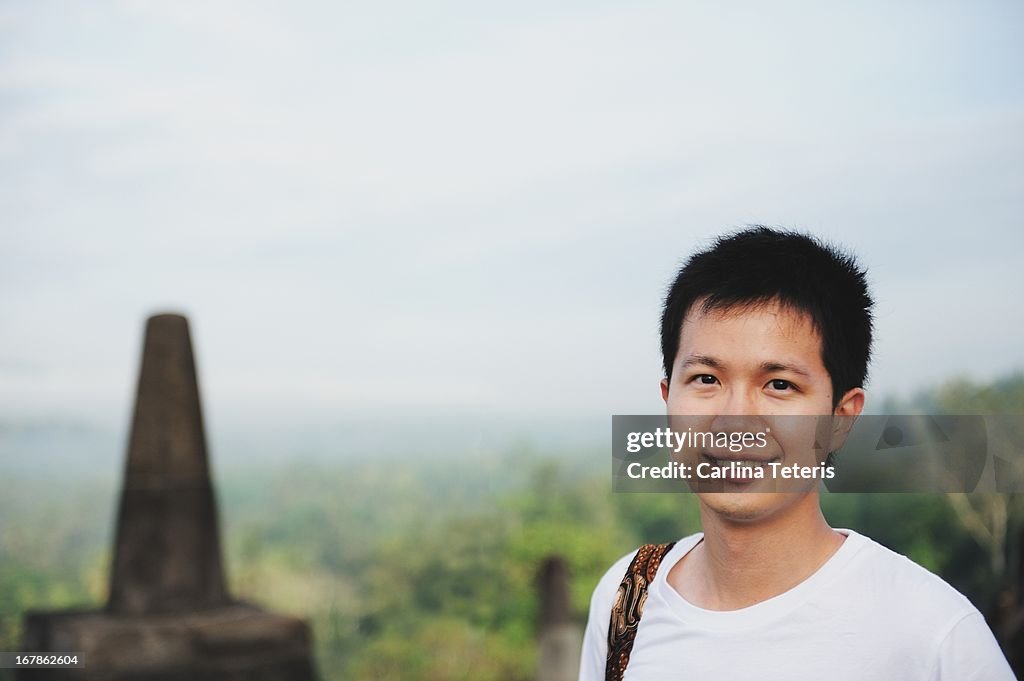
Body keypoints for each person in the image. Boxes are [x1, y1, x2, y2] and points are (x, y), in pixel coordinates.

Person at [578, 227, 1015, 680]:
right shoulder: (629, 598)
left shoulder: (932, 635)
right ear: (668, 397)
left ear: (841, 418)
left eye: (779, 385)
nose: (735, 419)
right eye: (707, 379)